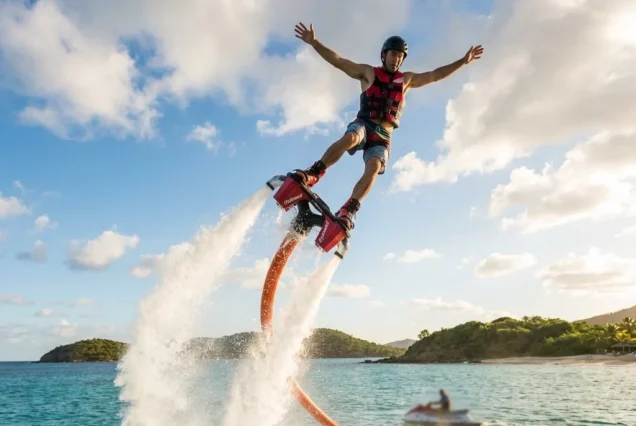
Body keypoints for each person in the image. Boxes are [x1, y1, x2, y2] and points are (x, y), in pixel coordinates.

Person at [290, 22, 484, 230]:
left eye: (400, 56)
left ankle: (348, 210)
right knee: (351, 138)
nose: (397, 58)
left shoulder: (407, 80)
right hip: (364, 124)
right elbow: (338, 61)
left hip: (383, 136)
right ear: (384, 55)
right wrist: (314, 43)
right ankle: (314, 173)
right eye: (393, 54)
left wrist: (463, 62)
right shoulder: (367, 72)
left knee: (374, 167)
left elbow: (436, 74)